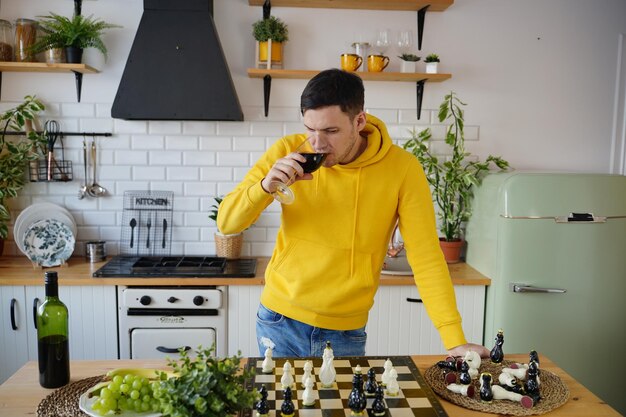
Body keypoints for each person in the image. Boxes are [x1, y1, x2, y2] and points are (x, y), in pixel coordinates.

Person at [217, 68, 489, 359]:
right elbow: (228, 223)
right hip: (279, 320)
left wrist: (454, 340)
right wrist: (264, 187)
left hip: (345, 333)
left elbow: (426, 257)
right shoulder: (286, 152)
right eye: (310, 129)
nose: (317, 143)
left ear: (359, 121)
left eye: (331, 131)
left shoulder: (403, 169)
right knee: (283, 406)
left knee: (341, 407)